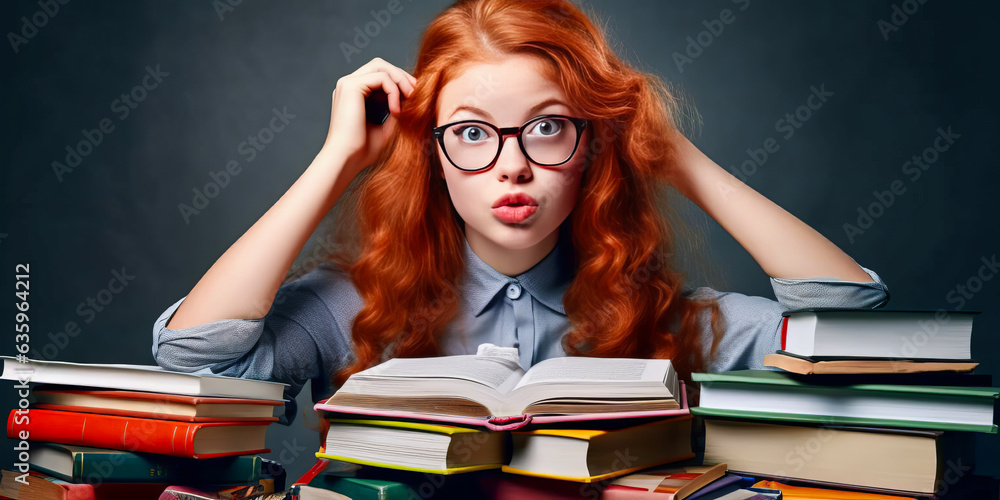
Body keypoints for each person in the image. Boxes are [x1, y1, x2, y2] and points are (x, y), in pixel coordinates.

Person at [152, 0, 888, 423]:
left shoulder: (666, 318)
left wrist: (677, 161)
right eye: (471, 132)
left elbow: (861, 347)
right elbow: (198, 359)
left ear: (594, 145)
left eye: (547, 127)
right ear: (433, 150)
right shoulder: (353, 307)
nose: (512, 164)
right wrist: (336, 160)